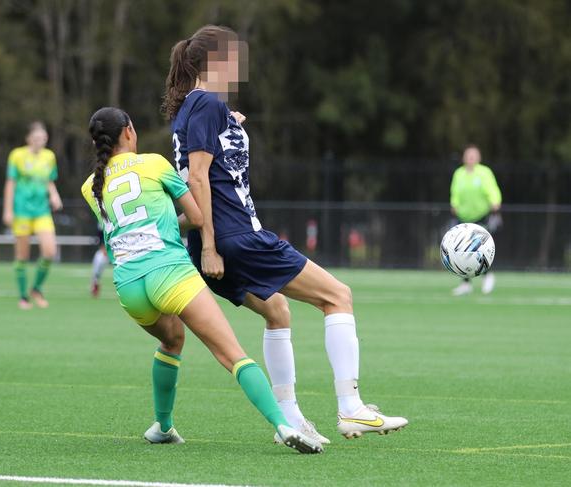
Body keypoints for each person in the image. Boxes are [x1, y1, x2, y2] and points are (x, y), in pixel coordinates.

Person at [163, 25, 408, 442]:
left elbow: (206, 162)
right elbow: (198, 179)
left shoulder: (196, 107)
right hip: (236, 237)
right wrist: (209, 246)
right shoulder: (205, 104)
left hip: (222, 239)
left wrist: (231, 123)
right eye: (235, 58)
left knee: (277, 311)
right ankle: (351, 408)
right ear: (216, 61)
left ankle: (289, 419)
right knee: (338, 296)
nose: (241, 66)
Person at [81, 107, 321, 454]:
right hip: (170, 274)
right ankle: (283, 425)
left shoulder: (91, 187)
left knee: (172, 340)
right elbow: (195, 216)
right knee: (232, 355)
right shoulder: (154, 164)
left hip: (130, 287)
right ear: (129, 132)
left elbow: (116, 234)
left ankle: (163, 427)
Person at [2, 122, 62, 309]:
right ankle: (23, 297)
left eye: (43, 138)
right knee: (22, 256)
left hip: (42, 211)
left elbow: (49, 181)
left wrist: (54, 194)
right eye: (36, 138)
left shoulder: (49, 156)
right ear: (28, 139)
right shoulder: (17, 155)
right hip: (22, 212)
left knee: (50, 252)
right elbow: (10, 183)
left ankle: (36, 288)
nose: (39, 142)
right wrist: (8, 210)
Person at [450, 144, 502, 296]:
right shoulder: (459, 174)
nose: (470, 158)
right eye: (468, 155)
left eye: (473, 155)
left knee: (478, 250)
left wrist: (495, 201)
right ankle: (465, 283)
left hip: (481, 216)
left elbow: (492, 189)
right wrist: (454, 204)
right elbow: (455, 192)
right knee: (460, 250)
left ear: (478, 158)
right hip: (463, 218)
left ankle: (488, 276)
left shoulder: (484, 172)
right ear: (464, 158)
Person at [90, 223, 108, 297]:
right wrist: (103, 248)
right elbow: (100, 235)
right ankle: (95, 283)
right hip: (105, 250)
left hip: (117, 248)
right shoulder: (101, 220)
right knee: (99, 260)